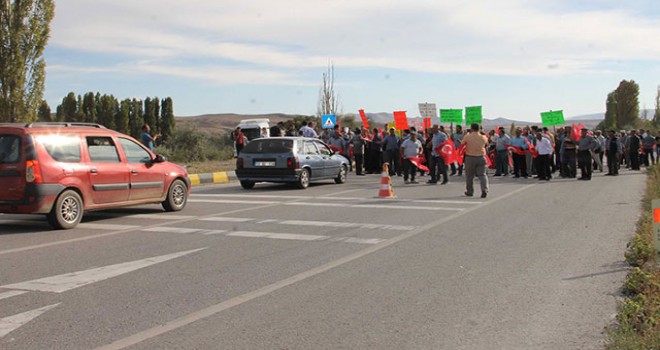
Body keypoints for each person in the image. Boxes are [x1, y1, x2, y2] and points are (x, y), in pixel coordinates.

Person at [461, 123, 489, 198]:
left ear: (471, 128)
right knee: (482, 175)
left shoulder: (467, 136)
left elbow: (462, 144)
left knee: (469, 176)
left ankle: (470, 191)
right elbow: (486, 144)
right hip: (481, 157)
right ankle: (484, 190)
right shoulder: (483, 137)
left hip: (470, 157)